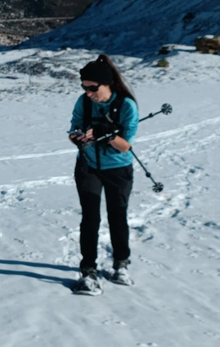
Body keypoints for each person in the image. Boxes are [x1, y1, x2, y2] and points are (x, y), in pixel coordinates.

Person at [68, 54, 139, 295]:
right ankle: (88, 271)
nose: (87, 93)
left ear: (106, 84)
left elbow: (126, 145)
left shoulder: (126, 106)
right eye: (84, 87)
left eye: (92, 88)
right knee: (90, 218)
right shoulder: (84, 103)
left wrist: (106, 133)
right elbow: (73, 128)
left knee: (117, 216)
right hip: (88, 167)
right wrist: (78, 138)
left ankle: (121, 264)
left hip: (118, 169)